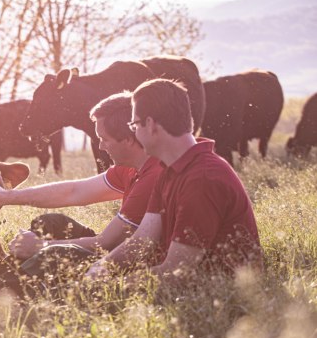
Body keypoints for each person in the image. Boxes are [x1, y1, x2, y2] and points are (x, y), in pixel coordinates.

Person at [85, 79, 262, 281]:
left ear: (150, 125)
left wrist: (108, 287)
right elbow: (143, 240)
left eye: (134, 124)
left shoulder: (202, 179)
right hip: (184, 285)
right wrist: (100, 269)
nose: (133, 132)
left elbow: (176, 271)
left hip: (216, 295)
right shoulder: (169, 169)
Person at [0, 92, 162, 271]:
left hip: (131, 261)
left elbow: (107, 243)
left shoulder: (152, 177)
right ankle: (11, 273)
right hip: (114, 247)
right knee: (50, 223)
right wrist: (6, 196)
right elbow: (74, 190)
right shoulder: (130, 167)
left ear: (128, 139)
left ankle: (1, 290)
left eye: (104, 139)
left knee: (53, 254)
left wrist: (39, 247)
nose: (100, 146)